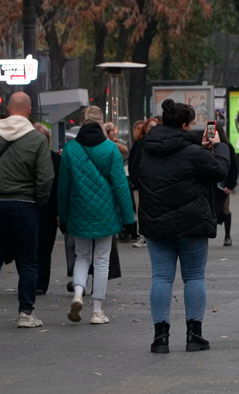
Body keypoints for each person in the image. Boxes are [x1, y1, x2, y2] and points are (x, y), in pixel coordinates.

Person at [139, 99, 230, 354]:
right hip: (192, 223)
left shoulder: (147, 149)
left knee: (160, 277)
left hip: (156, 222)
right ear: (184, 124)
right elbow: (220, 171)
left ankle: (160, 337)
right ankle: (194, 335)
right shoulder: (195, 153)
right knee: (194, 276)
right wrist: (219, 146)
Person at [0, 92, 54, 329]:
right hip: (25, 205)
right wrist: (39, 200)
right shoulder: (36, 140)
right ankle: (25, 313)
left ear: (7, 107)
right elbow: (46, 177)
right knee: (27, 261)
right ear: (29, 110)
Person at [59, 106, 134, 325]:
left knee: (81, 256)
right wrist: (129, 219)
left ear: (82, 122)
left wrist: (62, 217)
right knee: (102, 260)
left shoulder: (70, 149)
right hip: (106, 213)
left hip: (78, 211)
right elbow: (121, 186)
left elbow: (63, 187)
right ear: (101, 122)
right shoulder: (110, 149)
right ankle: (97, 310)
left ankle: (78, 294)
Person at [33, 123, 60, 295]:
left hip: (42, 208)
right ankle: (39, 282)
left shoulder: (24, 158)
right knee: (41, 248)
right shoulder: (55, 159)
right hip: (44, 208)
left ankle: (38, 281)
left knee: (39, 248)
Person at [129, 118, 157, 248]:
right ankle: (143, 236)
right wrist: (135, 181)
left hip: (154, 184)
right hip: (140, 183)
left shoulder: (159, 142)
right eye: (150, 127)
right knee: (141, 209)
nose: (152, 129)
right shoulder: (140, 144)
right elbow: (133, 164)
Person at [213, 125, 238, 247]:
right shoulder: (206, 147)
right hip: (210, 183)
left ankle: (227, 235)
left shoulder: (226, 147)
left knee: (225, 208)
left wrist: (231, 185)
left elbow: (233, 168)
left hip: (222, 184)